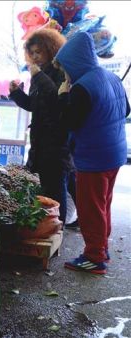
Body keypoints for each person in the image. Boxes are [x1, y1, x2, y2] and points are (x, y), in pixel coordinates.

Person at [55, 32, 129, 274]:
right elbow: (126, 109)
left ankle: (94, 257)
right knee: (103, 204)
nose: (65, 75)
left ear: (74, 63)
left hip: (94, 158)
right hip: (115, 153)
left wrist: (64, 97)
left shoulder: (82, 87)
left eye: (65, 68)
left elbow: (68, 123)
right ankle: (102, 247)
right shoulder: (112, 77)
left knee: (90, 209)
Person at [8, 28, 75, 227]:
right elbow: (33, 105)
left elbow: (57, 100)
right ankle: (50, 226)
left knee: (56, 188)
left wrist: (37, 75)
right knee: (47, 186)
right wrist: (16, 94)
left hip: (57, 143)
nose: (35, 56)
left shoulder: (61, 72)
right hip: (40, 142)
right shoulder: (39, 75)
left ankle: (57, 229)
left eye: (39, 52)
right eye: (32, 53)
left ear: (51, 49)